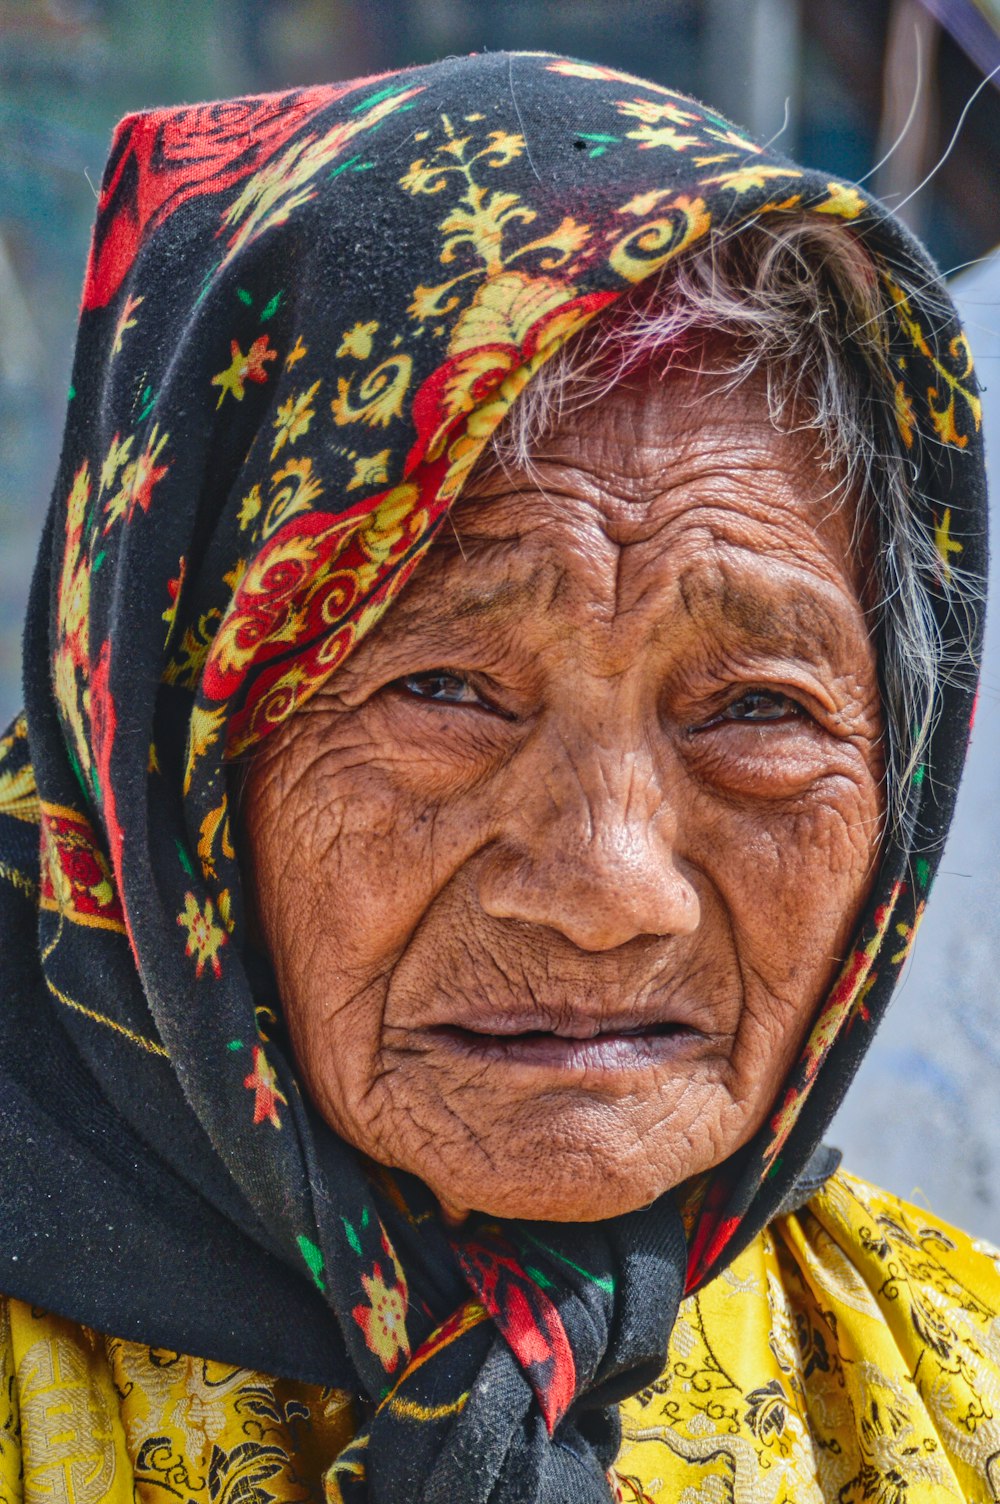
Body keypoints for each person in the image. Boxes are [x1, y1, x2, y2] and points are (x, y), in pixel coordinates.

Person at [0, 49, 994, 1504]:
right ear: (163, 747)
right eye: (445, 690)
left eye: (756, 710)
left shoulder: (948, 1383)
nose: (609, 893)